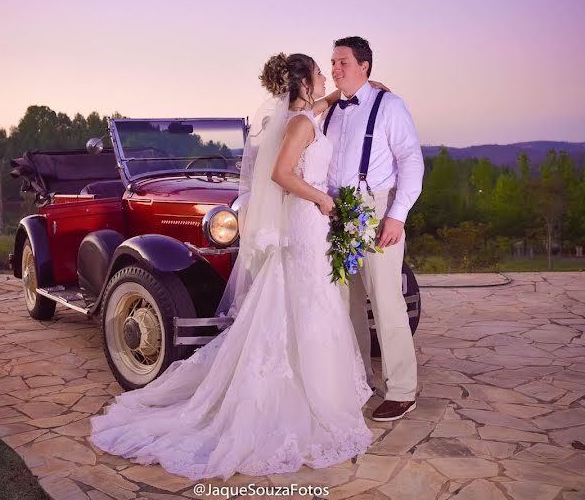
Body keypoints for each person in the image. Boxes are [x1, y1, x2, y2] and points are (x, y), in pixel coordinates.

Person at [90, 53, 377, 481]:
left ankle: (317, 386)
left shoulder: (305, 117)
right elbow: (281, 174)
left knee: (307, 301)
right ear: (301, 83)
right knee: (305, 300)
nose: (324, 78)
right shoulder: (299, 125)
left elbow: (323, 105)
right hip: (306, 218)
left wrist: (365, 89)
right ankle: (297, 397)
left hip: (312, 224)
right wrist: (321, 198)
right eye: (319, 73)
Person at [324, 36, 424, 422]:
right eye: (332, 62)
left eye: (343, 62)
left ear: (364, 65)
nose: (335, 68)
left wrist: (397, 215)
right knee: (345, 304)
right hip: (334, 213)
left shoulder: (390, 106)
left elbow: (411, 161)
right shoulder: (330, 111)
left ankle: (401, 391)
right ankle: (360, 378)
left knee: (386, 302)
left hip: (376, 210)